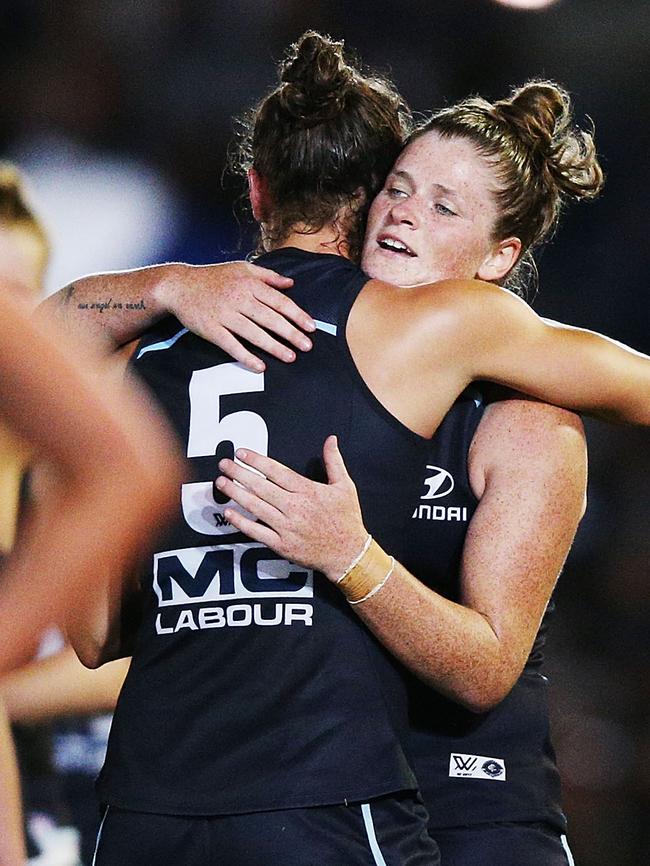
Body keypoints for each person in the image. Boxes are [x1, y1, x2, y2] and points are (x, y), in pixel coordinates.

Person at [51, 32, 645, 865]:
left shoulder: (525, 408)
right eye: (399, 188)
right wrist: (169, 282)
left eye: (445, 206)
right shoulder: (272, 331)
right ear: (364, 197)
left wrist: (350, 555)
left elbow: (486, 668)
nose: (404, 212)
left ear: (502, 259)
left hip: (475, 806)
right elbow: (109, 633)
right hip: (327, 788)